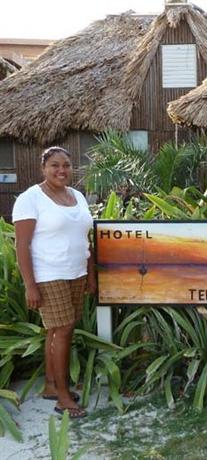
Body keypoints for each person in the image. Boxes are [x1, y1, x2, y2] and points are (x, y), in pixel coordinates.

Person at [13, 146, 95, 418]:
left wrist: (90, 274)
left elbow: (86, 239)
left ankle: (50, 385)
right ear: (43, 168)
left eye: (67, 165)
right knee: (63, 328)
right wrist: (30, 285)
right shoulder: (30, 198)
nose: (62, 170)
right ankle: (63, 398)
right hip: (49, 274)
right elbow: (22, 246)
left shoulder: (78, 196)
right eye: (55, 165)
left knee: (61, 331)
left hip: (76, 273)